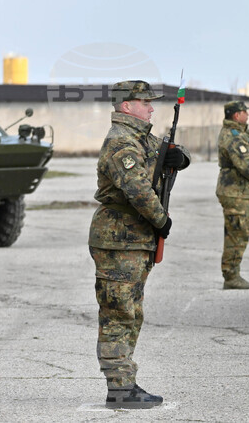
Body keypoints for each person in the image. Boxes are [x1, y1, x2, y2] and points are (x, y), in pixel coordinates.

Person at [90, 80, 190, 409]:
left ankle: (125, 382)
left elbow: (166, 153)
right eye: (144, 102)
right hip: (120, 239)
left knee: (132, 313)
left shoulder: (138, 137)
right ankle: (119, 388)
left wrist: (178, 157)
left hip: (135, 239)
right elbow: (137, 190)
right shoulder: (121, 141)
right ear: (126, 106)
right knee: (118, 315)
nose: (151, 107)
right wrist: (161, 219)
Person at [216, 100, 249, 290]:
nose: (247, 115)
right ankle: (231, 275)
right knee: (237, 233)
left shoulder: (237, 132)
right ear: (237, 115)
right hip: (236, 191)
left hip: (238, 191)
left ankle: (232, 272)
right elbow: (246, 165)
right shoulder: (234, 137)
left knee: (237, 232)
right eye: (245, 113)